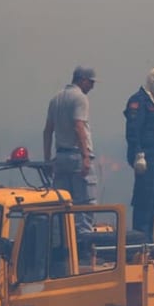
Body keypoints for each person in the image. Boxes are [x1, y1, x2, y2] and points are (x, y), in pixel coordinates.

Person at [43, 66, 98, 234]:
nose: (92, 87)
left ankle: (63, 245)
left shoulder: (56, 98)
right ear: (82, 80)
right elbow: (78, 126)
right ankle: (83, 248)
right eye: (91, 82)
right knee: (84, 205)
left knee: (62, 206)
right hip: (76, 157)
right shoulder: (80, 98)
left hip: (60, 158)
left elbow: (47, 131)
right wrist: (86, 157)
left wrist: (47, 161)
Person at [124, 67, 154, 242]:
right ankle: (141, 241)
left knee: (153, 200)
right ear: (152, 82)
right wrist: (138, 154)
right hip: (144, 158)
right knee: (144, 200)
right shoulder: (138, 101)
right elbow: (133, 131)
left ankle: (148, 241)